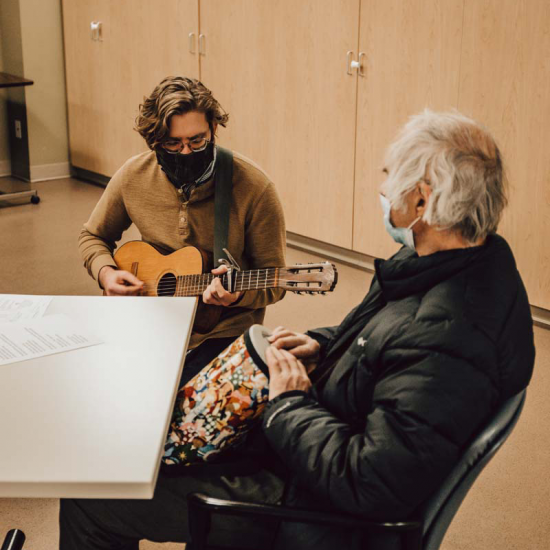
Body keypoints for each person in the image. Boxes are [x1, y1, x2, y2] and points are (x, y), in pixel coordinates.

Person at [61, 110, 535, 549]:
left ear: (422, 200)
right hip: (310, 445)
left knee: (92, 494)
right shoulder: (452, 264)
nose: (384, 187)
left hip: (308, 508)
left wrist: (287, 404)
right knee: (142, 446)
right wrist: (322, 344)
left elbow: (367, 482)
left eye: (391, 177)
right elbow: (380, 339)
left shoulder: (448, 339)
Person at [78, 76, 286, 384]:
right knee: (97, 383)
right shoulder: (133, 176)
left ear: (213, 130)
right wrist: (106, 273)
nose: (186, 152)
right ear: (154, 142)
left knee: (179, 402)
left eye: (197, 141)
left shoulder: (255, 188)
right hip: (151, 317)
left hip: (220, 332)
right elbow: (93, 236)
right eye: (173, 144)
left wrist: (238, 294)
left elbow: (276, 281)